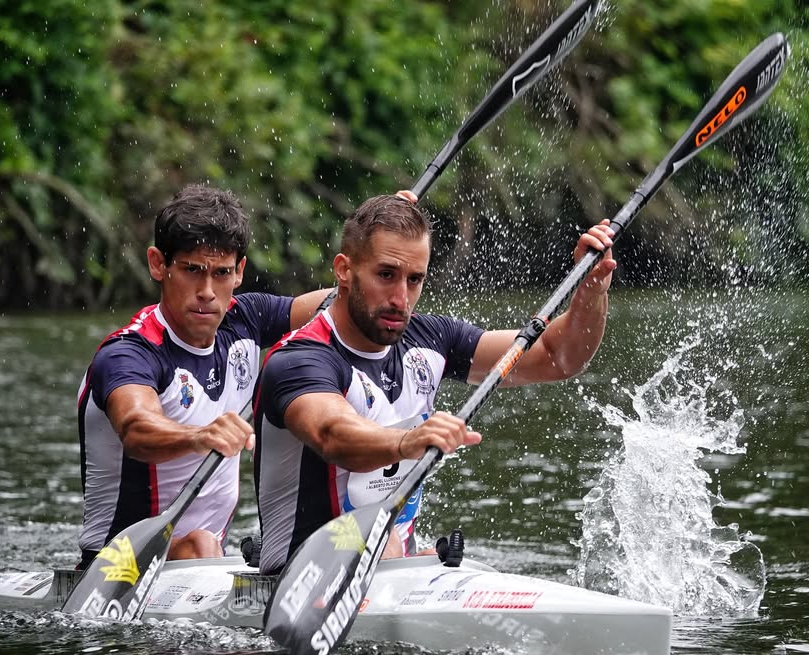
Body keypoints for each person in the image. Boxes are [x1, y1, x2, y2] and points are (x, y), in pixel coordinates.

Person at [253, 193, 615, 575]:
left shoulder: (432, 339)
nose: (400, 298)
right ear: (344, 269)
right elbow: (332, 435)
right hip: (298, 576)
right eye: (386, 275)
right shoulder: (299, 360)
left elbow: (559, 357)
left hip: (390, 566)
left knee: (405, 547)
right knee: (385, 540)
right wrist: (407, 441)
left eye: (415, 280)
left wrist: (590, 292)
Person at [76, 184, 332, 570]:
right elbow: (135, 428)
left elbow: (342, 304)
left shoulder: (246, 320)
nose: (208, 292)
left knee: (210, 545)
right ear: (158, 264)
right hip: (115, 569)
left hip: (204, 562)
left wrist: (372, 254)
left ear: (240, 271)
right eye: (192, 270)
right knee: (199, 544)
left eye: (221, 273)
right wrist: (199, 436)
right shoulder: (129, 354)